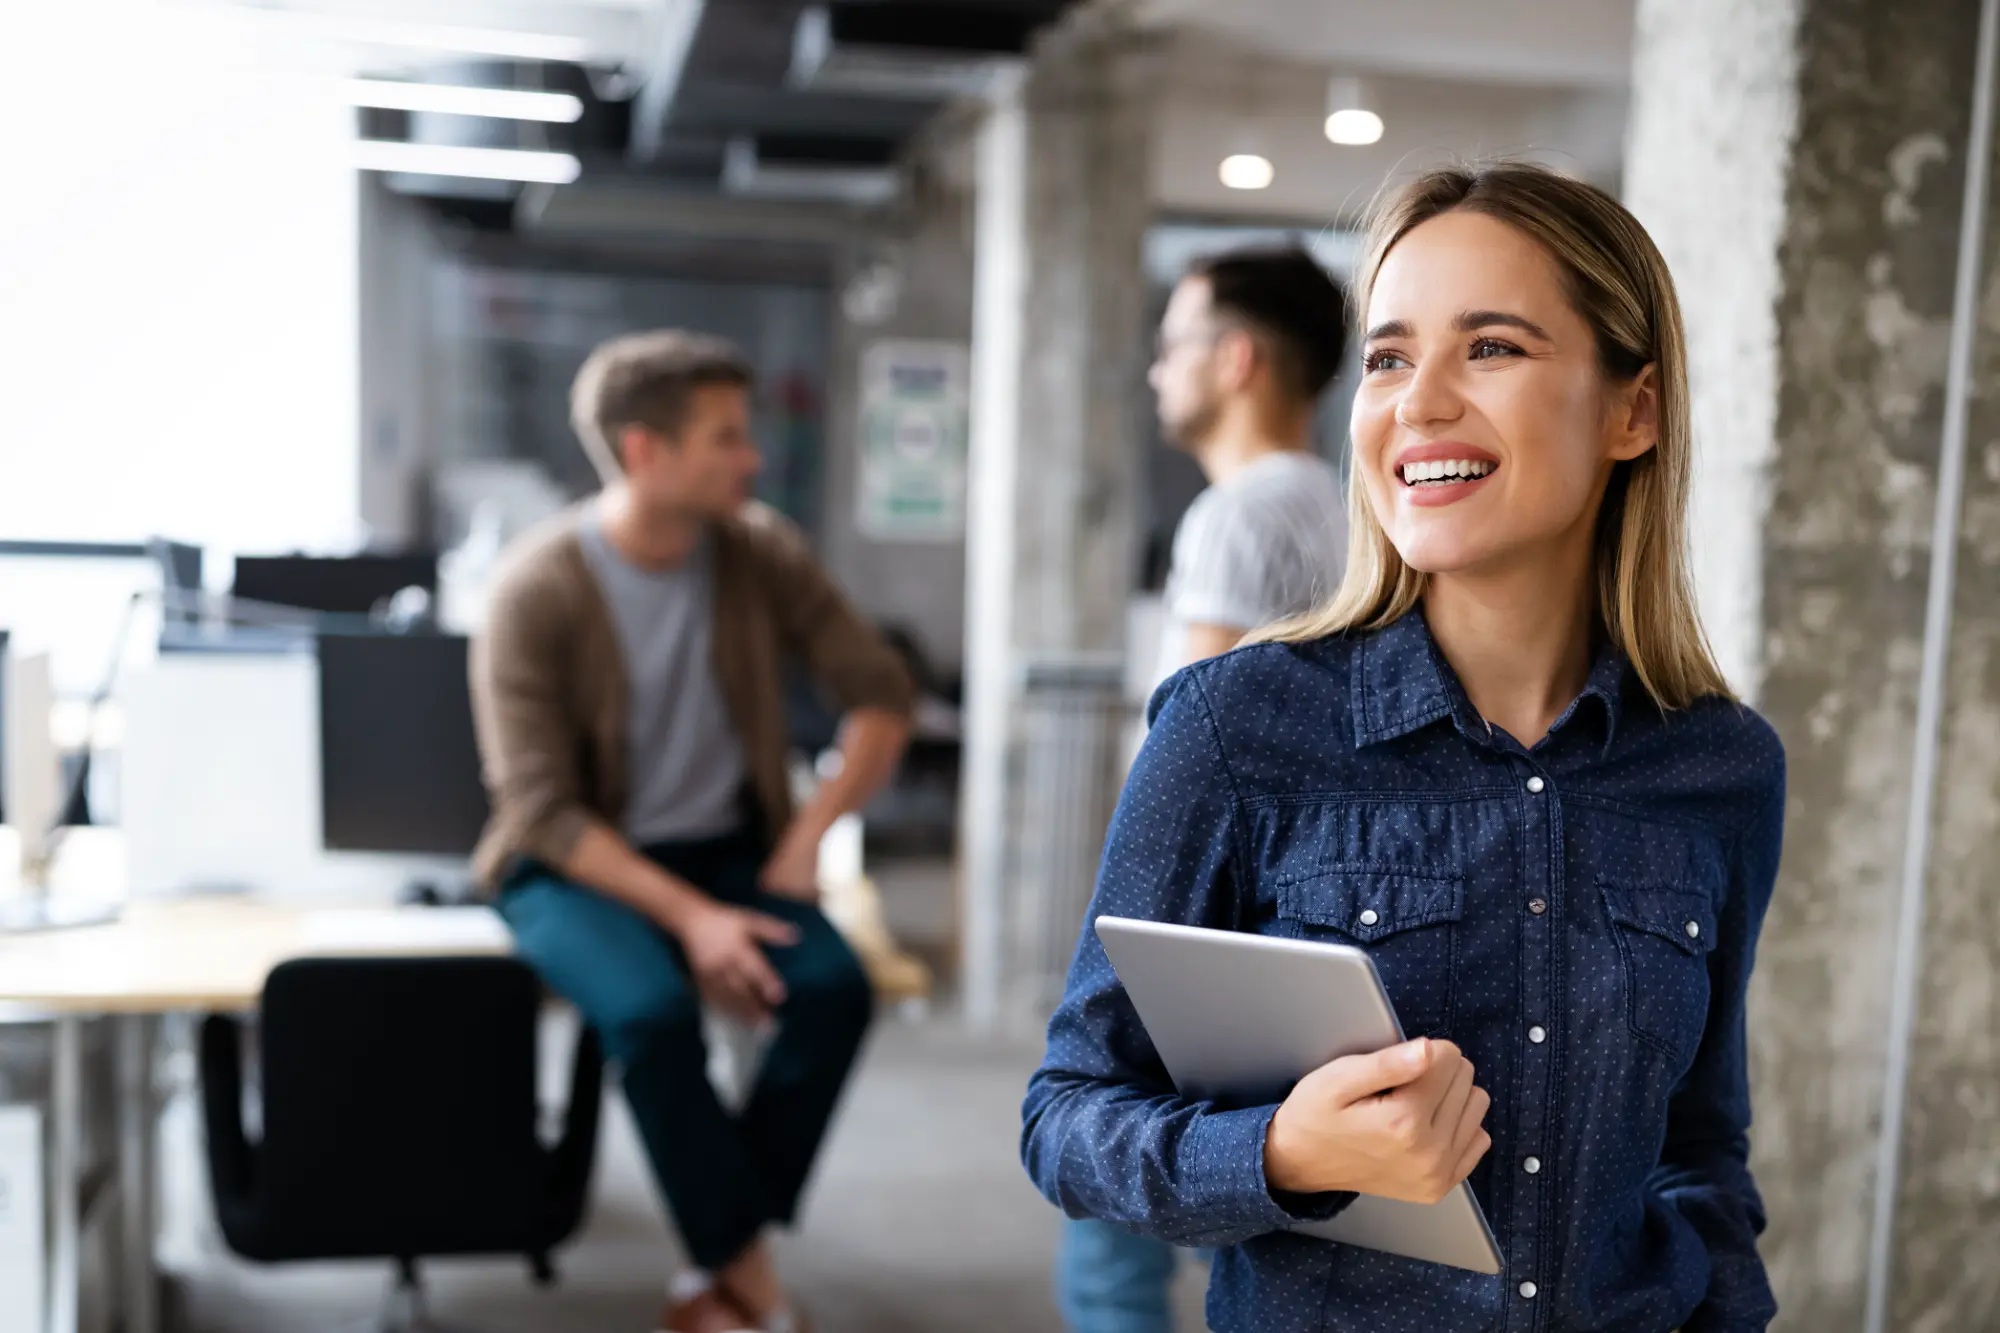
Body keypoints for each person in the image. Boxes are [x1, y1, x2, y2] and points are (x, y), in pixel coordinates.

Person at [1022, 162, 1785, 1333]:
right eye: (1387, 356)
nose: (1417, 403)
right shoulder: (1234, 727)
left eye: (1489, 347)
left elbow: (1697, 1146)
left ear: (1631, 410)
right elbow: (1066, 1117)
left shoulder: (1721, 766)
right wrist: (1277, 1148)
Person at [469, 330, 914, 1333]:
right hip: (567, 866)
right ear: (642, 451)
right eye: (725, 439)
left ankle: (717, 1254)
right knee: (652, 1015)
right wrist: (694, 922)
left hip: (731, 849)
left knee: (834, 991)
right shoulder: (532, 588)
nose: (750, 459)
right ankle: (745, 1279)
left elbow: (880, 692)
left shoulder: (756, 551)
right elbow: (538, 809)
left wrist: (807, 839)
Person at [1055, 244, 1350, 1333]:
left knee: (1110, 1226)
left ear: (1235, 360)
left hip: (1206, 917)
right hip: (1295, 909)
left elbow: (1186, 751)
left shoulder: (1236, 515)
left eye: (1169, 344)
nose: (1152, 370)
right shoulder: (1334, 508)